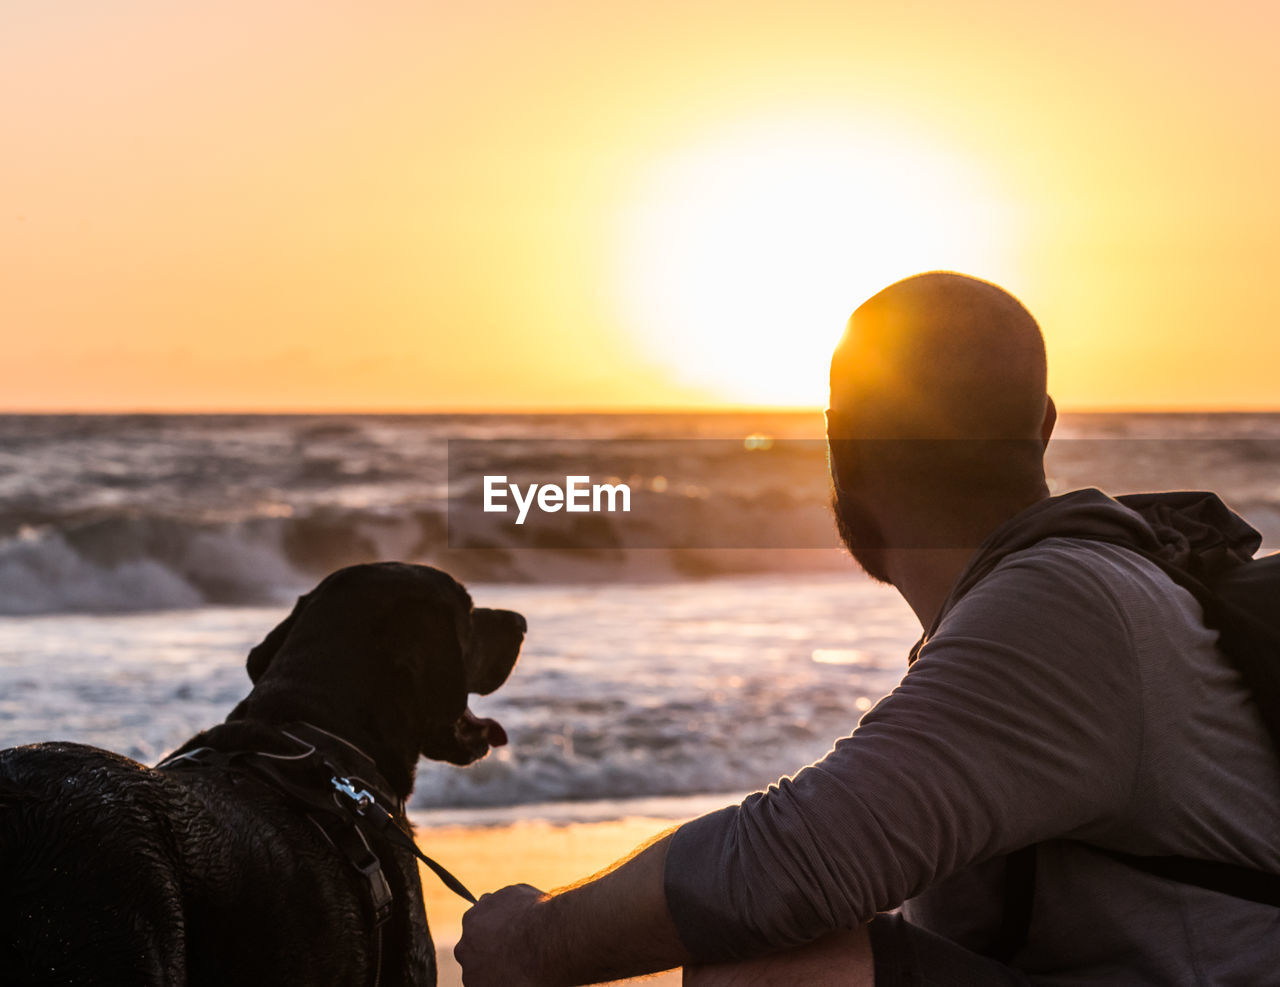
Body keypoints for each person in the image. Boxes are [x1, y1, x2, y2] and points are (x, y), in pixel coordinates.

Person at [455, 272, 1280, 985]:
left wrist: (535, 941)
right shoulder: (1071, 598)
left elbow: (788, 865)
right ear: (1045, 427)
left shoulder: (1062, 606)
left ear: (840, 443)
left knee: (770, 970)